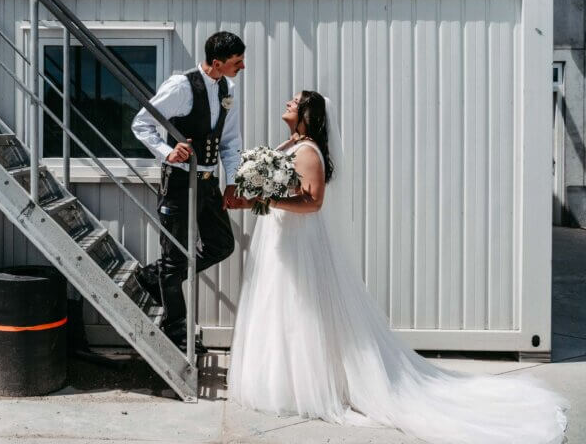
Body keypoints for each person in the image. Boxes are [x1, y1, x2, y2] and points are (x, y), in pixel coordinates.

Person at [227, 90, 568, 444]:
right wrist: (256, 193)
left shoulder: (309, 151)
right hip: (283, 241)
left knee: (302, 312)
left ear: (309, 114)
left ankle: (310, 386)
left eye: (296, 102)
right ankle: (284, 381)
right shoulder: (289, 146)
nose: (288, 103)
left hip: (300, 244)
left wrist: (266, 198)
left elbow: (312, 203)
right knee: (282, 310)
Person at [131, 31, 246, 353]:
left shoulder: (228, 88)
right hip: (180, 182)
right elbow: (142, 123)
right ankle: (176, 329)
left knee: (221, 245)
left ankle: (153, 277)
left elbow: (230, 141)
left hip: (209, 183)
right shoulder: (181, 86)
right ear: (217, 62)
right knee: (174, 256)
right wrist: (167, 151)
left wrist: (233, 181)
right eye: (237, 62)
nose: (243, 66)